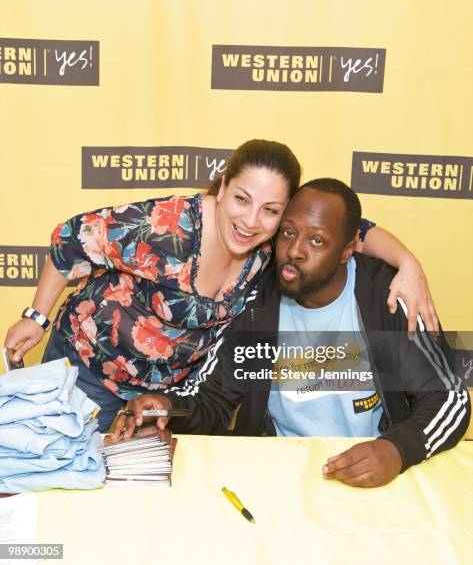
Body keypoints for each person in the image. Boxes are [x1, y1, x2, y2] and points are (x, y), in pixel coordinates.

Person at [5, 140, 437, 432]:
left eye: (271, 211)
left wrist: (409, 262)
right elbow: (70, 239)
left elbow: (350, 229)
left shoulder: (277, 246)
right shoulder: (165, 228)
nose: (251, 222)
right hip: (90, 369)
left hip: (167, 393)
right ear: (223, 186)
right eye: (242, 200)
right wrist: (36, 316)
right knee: (57, 477)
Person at [113, 179, 470, 488]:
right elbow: (213, 399)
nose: (295, 251)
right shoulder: (257, 300)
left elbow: (450, 400)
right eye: (288, 232)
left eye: (317, 241)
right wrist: (168, 406)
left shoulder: (386, 299)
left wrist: (396, 449)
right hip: (278, 470)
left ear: (348, 250)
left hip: (368, 468)